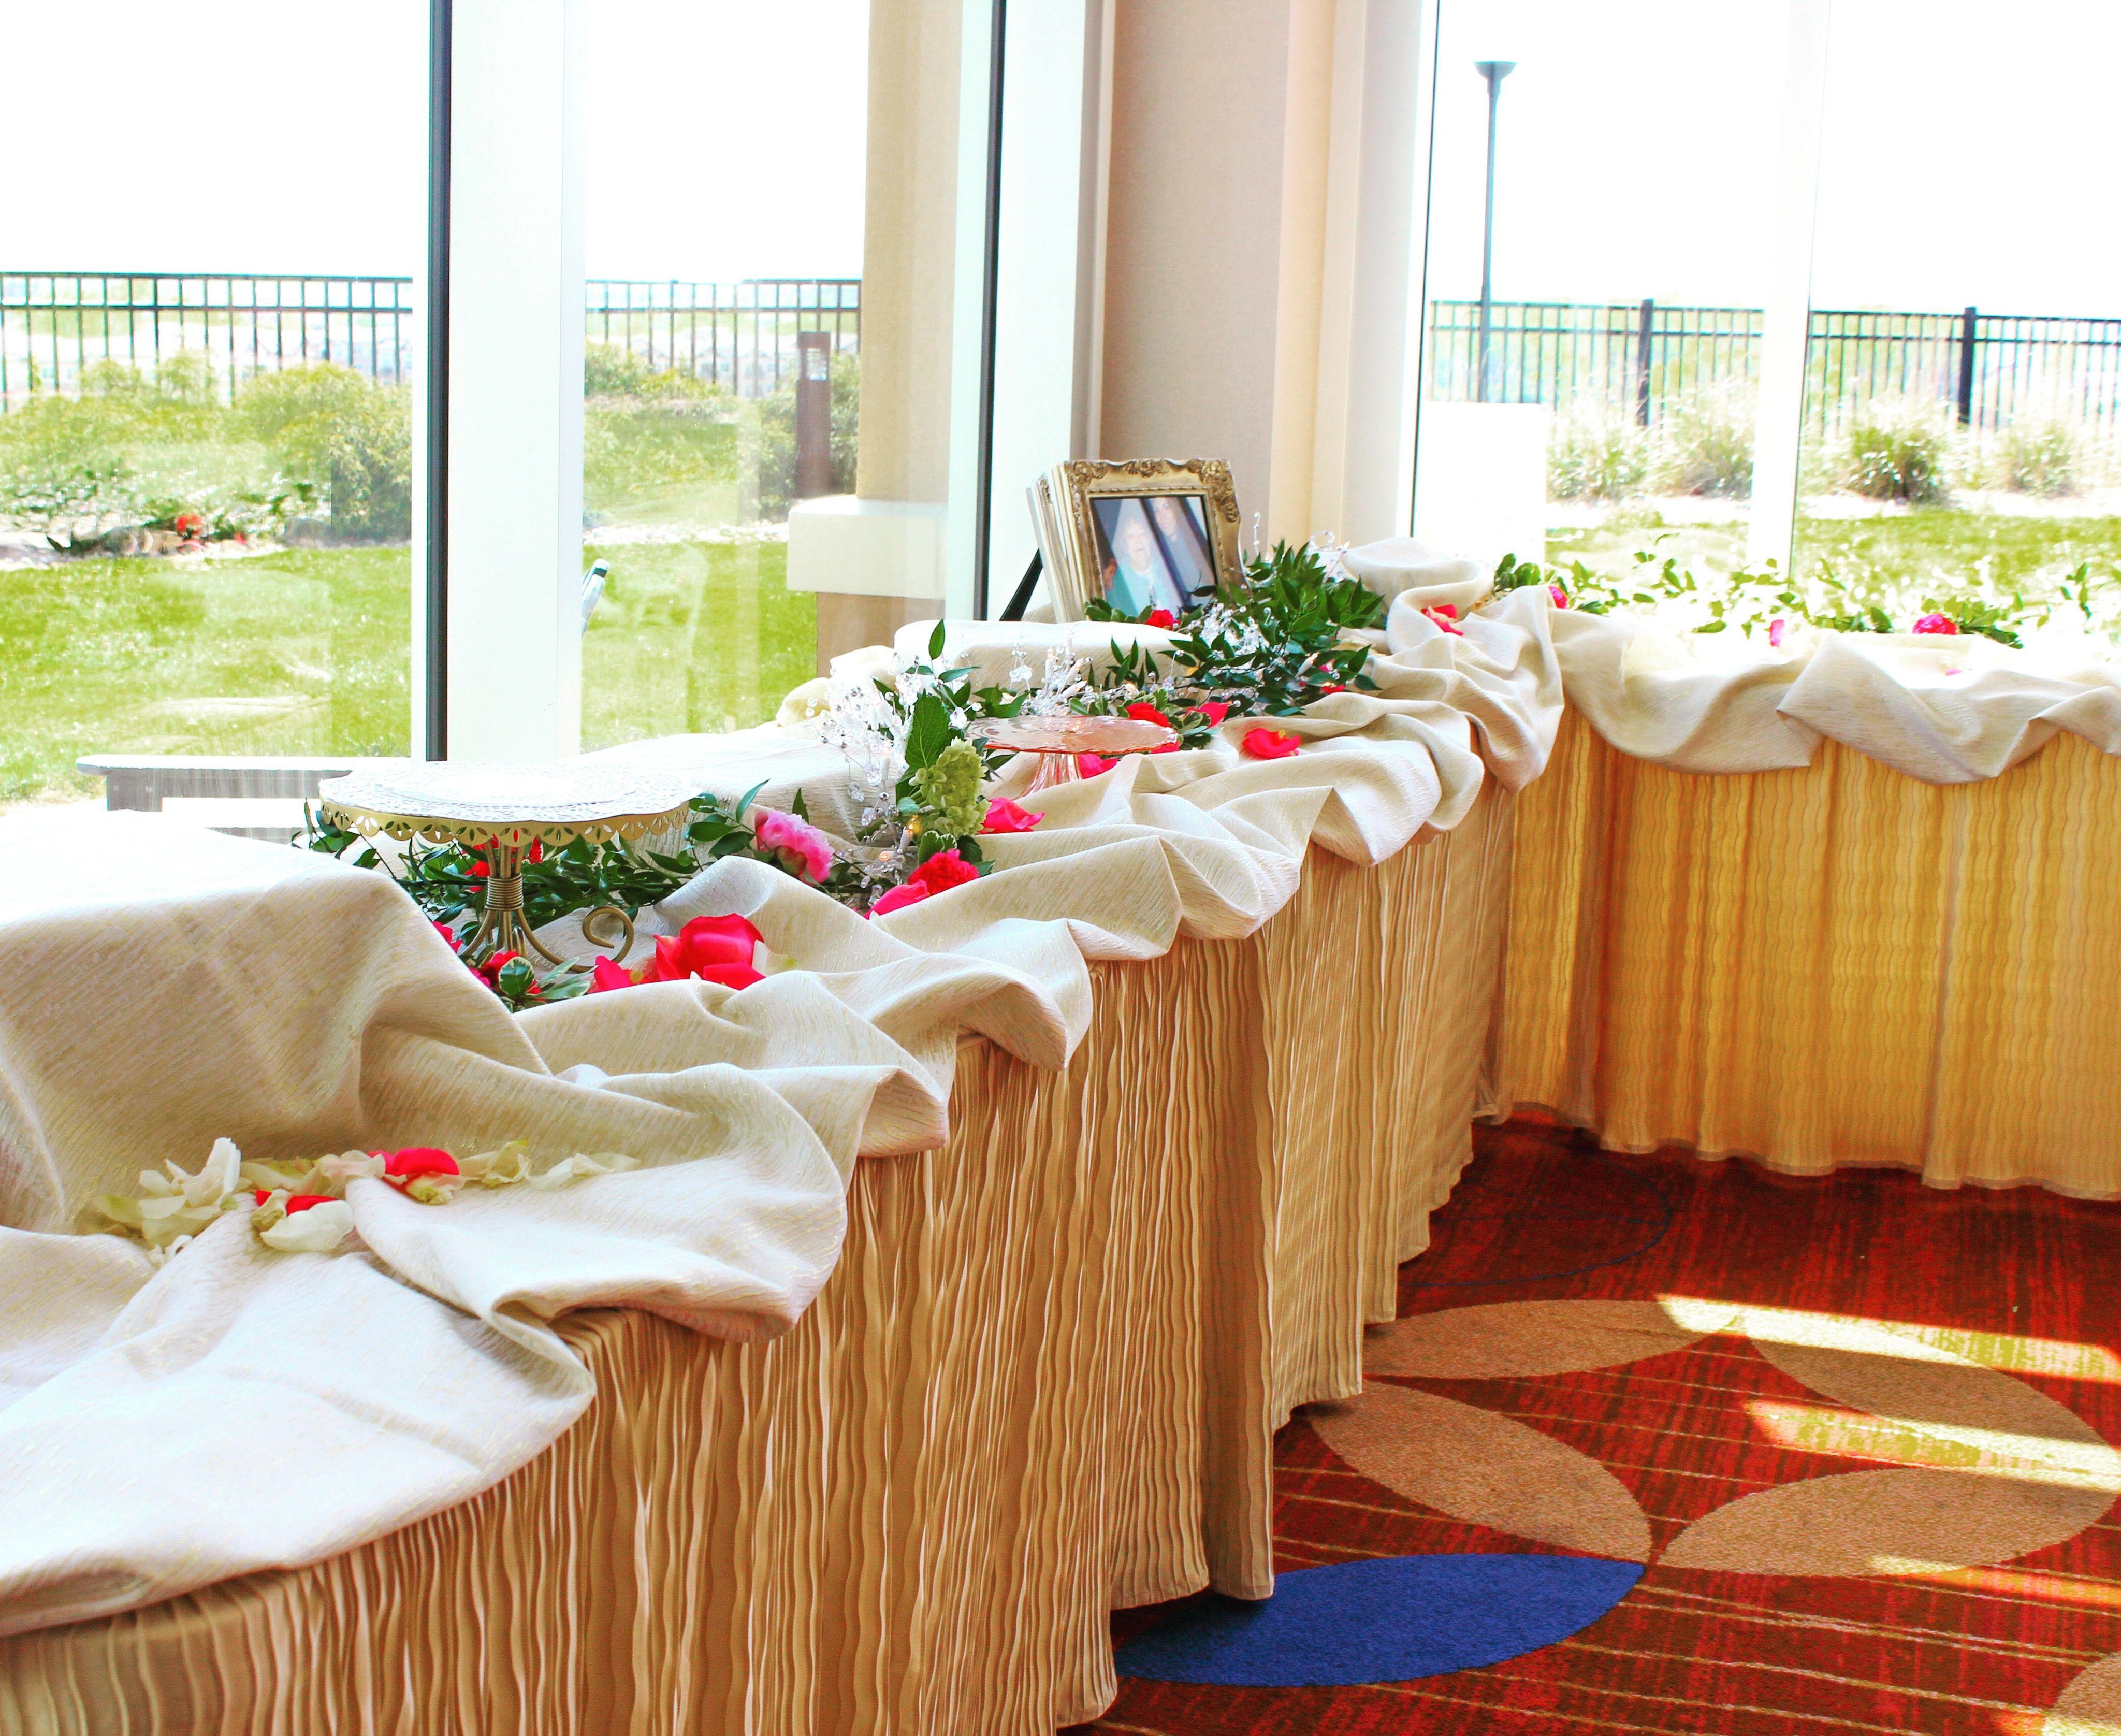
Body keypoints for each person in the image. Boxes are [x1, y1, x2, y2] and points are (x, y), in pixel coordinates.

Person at [1097, 498, 1190, 618]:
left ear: (1151, 539)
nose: (1138, 541)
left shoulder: (1170, 569)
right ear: (1124, 544)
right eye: (1131, 536)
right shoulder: (1115, 585)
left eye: (1142, 533)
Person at [1148, 495, 1217, 601]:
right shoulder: (1160, 552)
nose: (1162, 517)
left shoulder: (1196, 542)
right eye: (1157, 511)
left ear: (1176, 508)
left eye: (1166, 507)